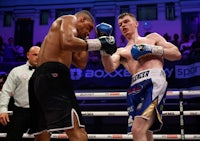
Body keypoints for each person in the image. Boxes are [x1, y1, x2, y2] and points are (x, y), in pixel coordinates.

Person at [28, 10, 116, 141]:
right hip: (54, 76)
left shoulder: (72, 39)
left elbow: (81, 63)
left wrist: (89, 39)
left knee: (43, 133)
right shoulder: (69, 19)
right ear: (81, 20)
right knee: (77, 131)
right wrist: (99, 43)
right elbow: (67, 41)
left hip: (41, 78)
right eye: (89, 28)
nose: (89, 32)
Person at [100, 13, 181, 141]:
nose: (123, 26)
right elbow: (109, 68)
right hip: (134, 88)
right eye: (120, 24)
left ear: (136, 23)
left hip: (153, 82)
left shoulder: (152, 38)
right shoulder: (121, 51)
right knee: (145, 132)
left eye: (126, 22)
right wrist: (103, 49)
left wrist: (151, 49)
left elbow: (176, 54)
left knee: (137, 129)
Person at [0, 46, 40, 141]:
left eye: (40, 55)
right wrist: (3, 109)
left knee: (43, 139)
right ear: (27, 55)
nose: (38, 57)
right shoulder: (16, 71)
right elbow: (6, 91)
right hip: (20, 111)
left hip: (40, 112)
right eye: (35, 54)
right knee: (13, 138)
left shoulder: (46, 72)